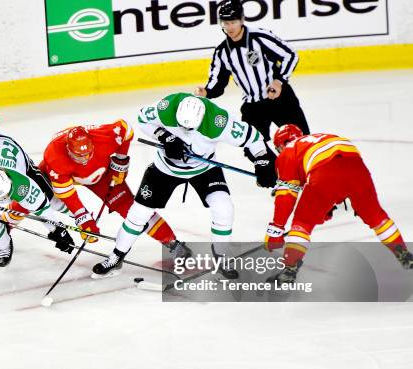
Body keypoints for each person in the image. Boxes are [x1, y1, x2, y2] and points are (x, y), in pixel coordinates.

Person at [93, 93, 275, 279]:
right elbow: (142, 119)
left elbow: (254, 138)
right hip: (164, 168)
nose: (185, 130)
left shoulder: (220, 121)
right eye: (181, 126)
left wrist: (262, 161)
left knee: (224, 207)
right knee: (138, 213)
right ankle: (116, 257)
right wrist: (165, 136)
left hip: (204, 168)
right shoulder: (167, 107)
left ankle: (221, 255)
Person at [264, 124, 413, 284]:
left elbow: (286, 196)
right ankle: (403, 254)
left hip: (324, 174)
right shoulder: (323, 137)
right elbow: (341, 170)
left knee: (302, 222)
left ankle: (289, 270)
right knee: (376, 216)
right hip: (357, 169)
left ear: (281, 144)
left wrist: (276, 230)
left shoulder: (287, 152)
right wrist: (329, 201)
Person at [38, 120, 188, 265]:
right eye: (78, 156)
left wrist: (121, 160)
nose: (83, 160)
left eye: (87, 154)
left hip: (102, 175)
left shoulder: (104, 137)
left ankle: (172, 243)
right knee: (34, 192)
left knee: (131, 209)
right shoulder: (54, 155)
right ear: (68, 149)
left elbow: (126, 129)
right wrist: (82, 217)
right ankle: (12, 223)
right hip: (65, 176)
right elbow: (66, 193)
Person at [195, 0, 309, 146]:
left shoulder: (259, 37)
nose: (229, 27)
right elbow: (217, 81)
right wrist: (206, 91)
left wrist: (278, 81)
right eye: (225, 23)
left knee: (301, 141)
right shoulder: (222, 52)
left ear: (241, 20)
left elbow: (290, 55)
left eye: (233, 22)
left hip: (280, 99)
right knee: (255, 150)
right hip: (253, 108)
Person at [0, 133, 76, 264]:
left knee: (51, 199)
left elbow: (41, 208)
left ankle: (78, 215)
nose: (5, 199)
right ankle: (4, 246)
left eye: (6, 194)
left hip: (14, 155)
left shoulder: (21, 182)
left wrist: (57, 230)